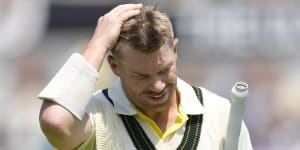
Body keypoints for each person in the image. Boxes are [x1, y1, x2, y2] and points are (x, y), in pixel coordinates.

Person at [38, 4, 253, 150]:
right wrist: (100, 42)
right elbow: (55, 122)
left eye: (163, 70)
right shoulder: (97, 117)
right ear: (114, 66)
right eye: (141, 76)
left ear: (175, 51)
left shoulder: (221, 115)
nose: (157, 86)